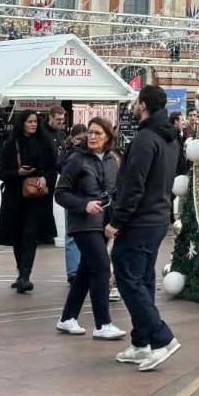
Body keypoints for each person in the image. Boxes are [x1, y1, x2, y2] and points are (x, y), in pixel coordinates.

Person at [109, 85, 181, 371]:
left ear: (142, 105)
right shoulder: (170, 139)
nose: (134, 107)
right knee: (143, 278)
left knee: (127, 277)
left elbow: (133, 185)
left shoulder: (145, 139)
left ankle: (162, 337)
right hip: (159, 217)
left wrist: (116, 221)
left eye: (136, 103)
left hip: (140, 219)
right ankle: (142, 342)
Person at [54, 117, 125, 340]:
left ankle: (67, 318)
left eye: (98, 133)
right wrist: (84, 205)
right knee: (102, 267)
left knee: (85, 270)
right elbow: (60, 193)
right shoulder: (77, 160)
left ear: (108, 137)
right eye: (91, 133)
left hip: (103, 224)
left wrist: (114, 223)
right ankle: (103, 323)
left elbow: (114, 195)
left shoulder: (111, 161)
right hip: (83, 224)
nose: (93, 137)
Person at [0, 110, 57, 293]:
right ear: (22, 123)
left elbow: (53, 167)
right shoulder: (10, 144)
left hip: (37, 197)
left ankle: (25, 275)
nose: (34, 124)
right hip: (15, 197)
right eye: (30, 121)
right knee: (17, 236)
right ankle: (21, 271)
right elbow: (2, 173)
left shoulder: (44, 143)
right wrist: (18, 173)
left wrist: (45, 178)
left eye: (35, 121)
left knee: (30, 234)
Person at [62, 124, 89, 282]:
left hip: (86, 197)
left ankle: (78, 269)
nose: (81, 142)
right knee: (72, 234)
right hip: (74, 197)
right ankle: (73, 270)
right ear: (72, 138)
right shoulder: (69, 154)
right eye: (78, 139)